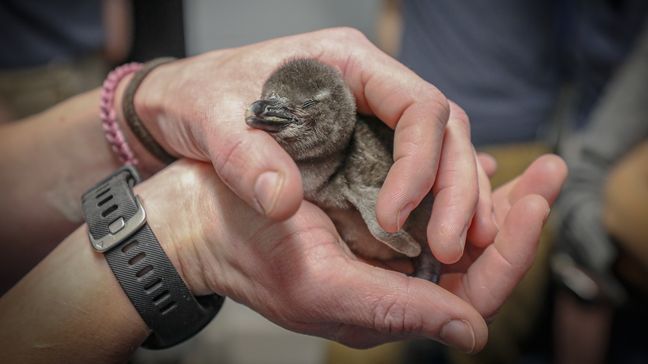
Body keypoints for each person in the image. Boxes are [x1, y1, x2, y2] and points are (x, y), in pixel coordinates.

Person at [0, 28, 566, 362]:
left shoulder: (355, 154)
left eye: (297, 115)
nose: (264, 118)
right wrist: (181, 241)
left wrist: (149, 102)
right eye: (273, 109)